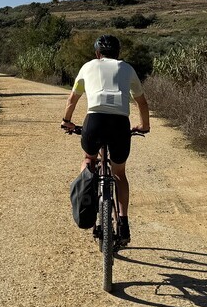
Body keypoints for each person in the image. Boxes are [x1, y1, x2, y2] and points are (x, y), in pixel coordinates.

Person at [61, 34, 150, 246]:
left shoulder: (88, 67)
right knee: (119, 173)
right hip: (120, 124)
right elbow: (142, 102)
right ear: (118, 53)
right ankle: (124, 222)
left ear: (97, 53)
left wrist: (66, 121)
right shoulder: (127, 68)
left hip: (94, 122)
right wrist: (144, 126)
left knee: (88, 159)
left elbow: (72, 98)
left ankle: (88, 192)